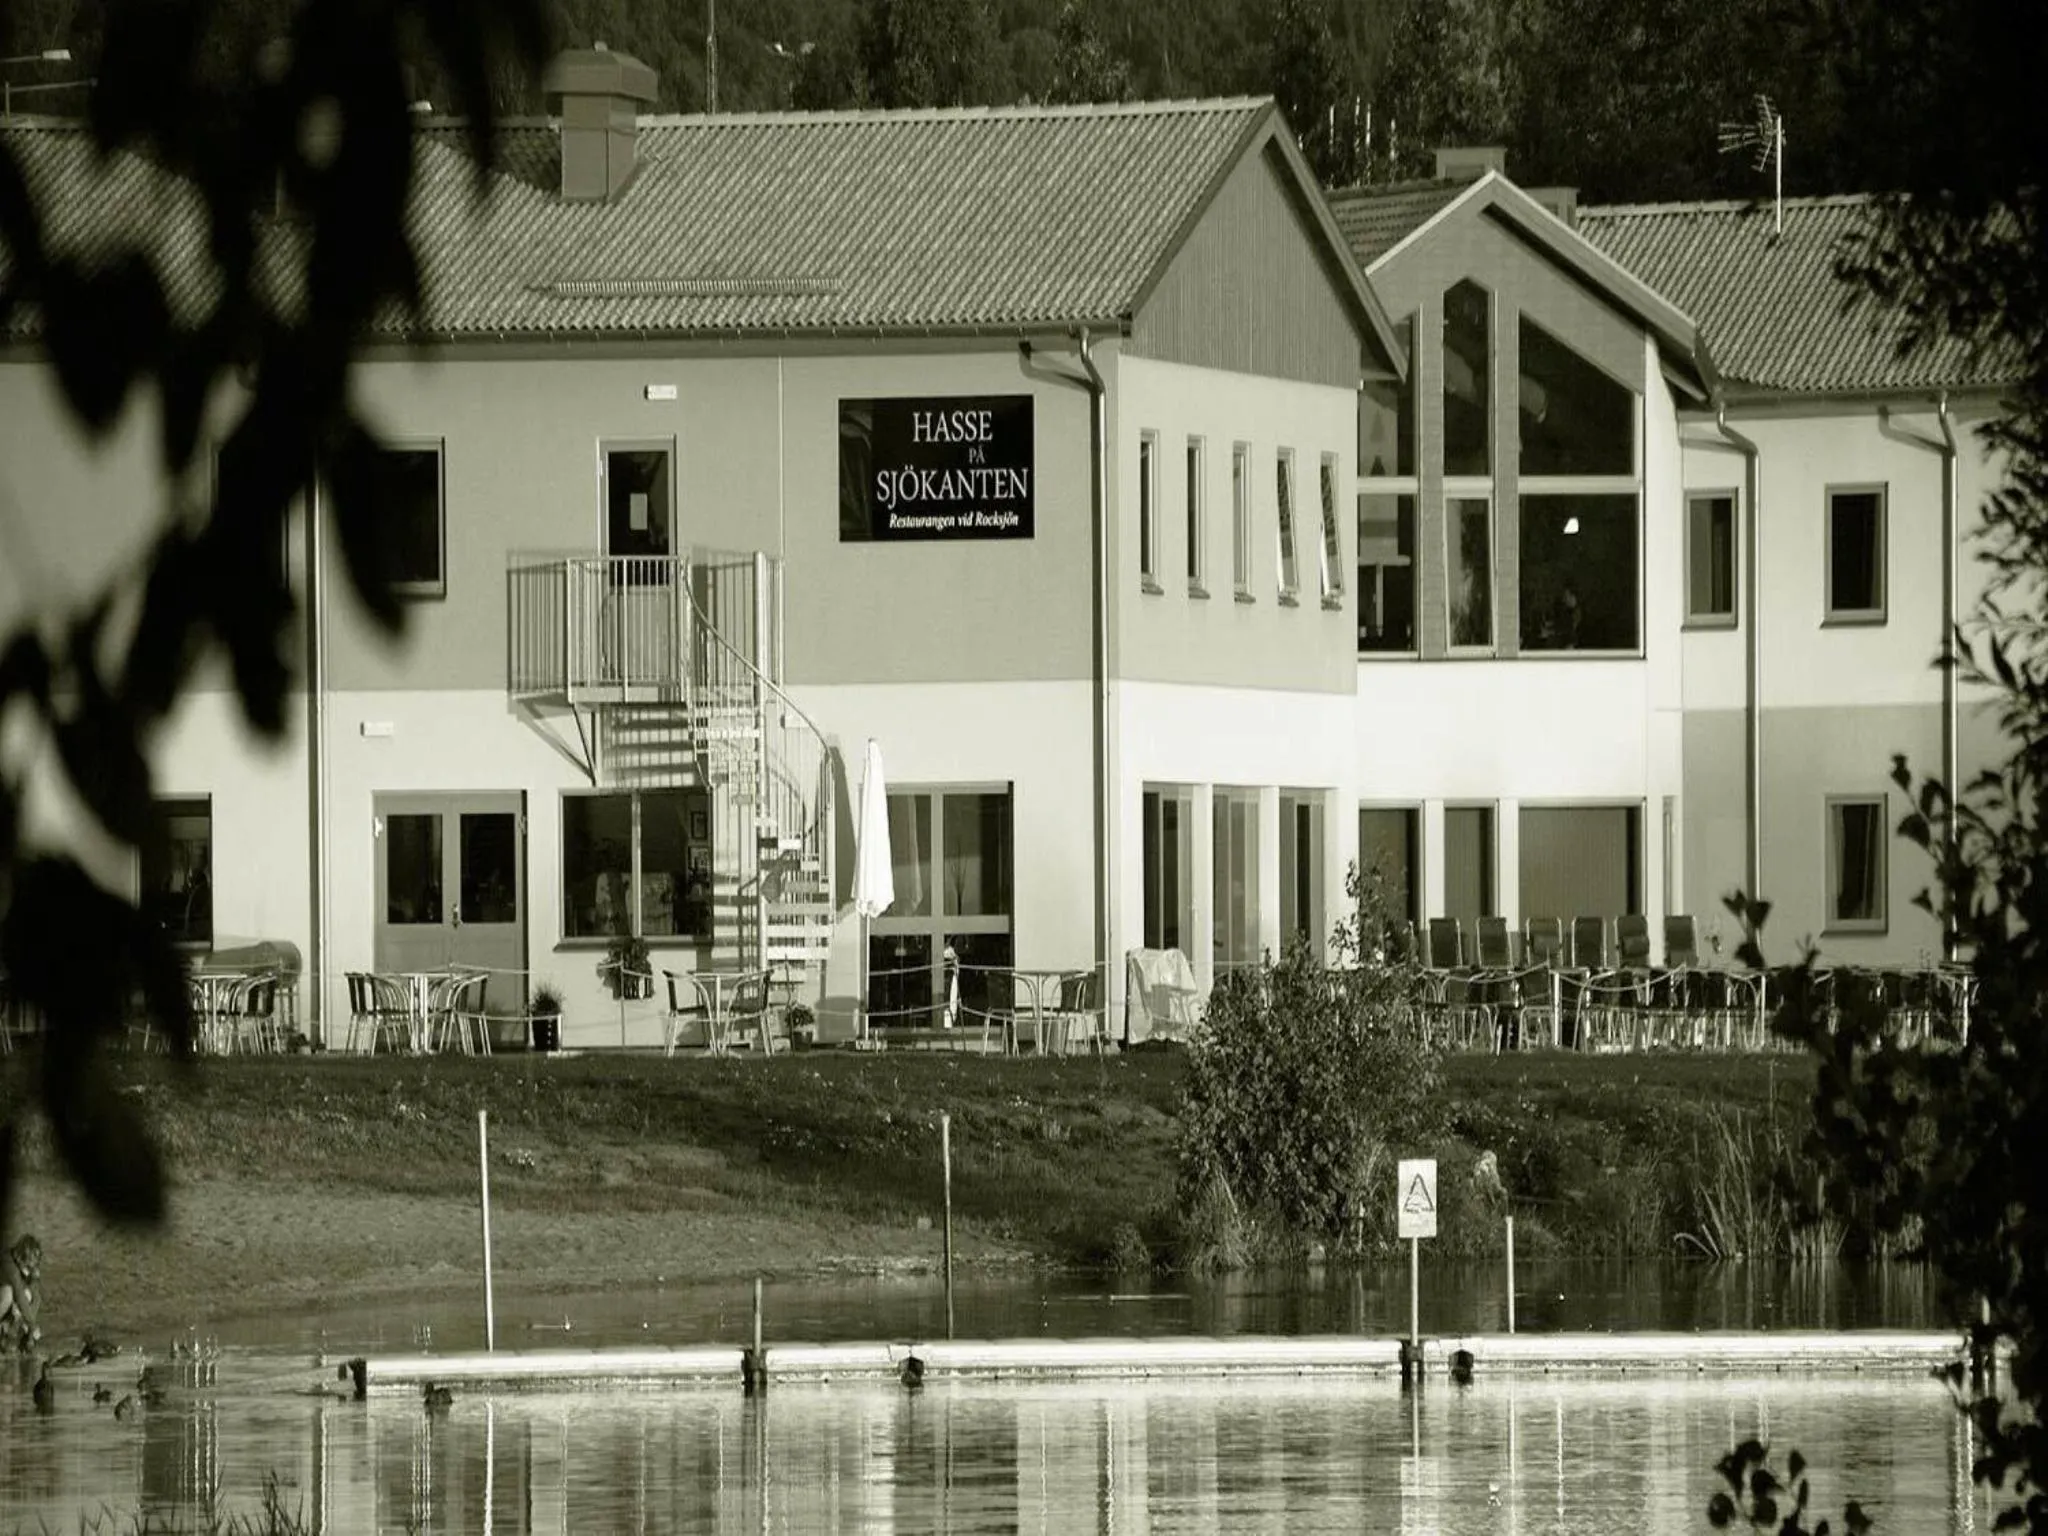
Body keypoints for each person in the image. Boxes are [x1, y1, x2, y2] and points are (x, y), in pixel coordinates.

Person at [0, 1235, 44, 1354]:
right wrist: (32, 1325)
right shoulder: (9, 1263)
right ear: (21, 1258)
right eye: (29, 1264)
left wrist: (33, 1279)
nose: (31, 1267)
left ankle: (9, 1334)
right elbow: (19, 1295)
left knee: (27, 1295)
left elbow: (36, 1298)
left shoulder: (26, 1268)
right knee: (9, 1293)